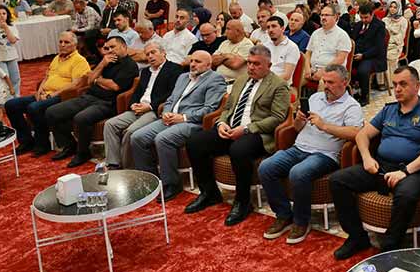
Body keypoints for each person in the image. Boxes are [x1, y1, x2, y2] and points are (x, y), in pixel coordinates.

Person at [329, 66, 420, 258]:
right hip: (381, 165)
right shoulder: (388, 110)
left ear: (417, 86)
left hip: (412, 170)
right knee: (338, 180)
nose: (397, 89)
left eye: (403, 84)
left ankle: (390, 247)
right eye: (395, 84)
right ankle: (357, 237)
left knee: (406, 196)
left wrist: (405, 172)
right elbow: (362, 135)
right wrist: (367, 158)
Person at [184, 45, 290, 225]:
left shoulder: (279, 85)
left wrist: (247, 128)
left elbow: (277, 118)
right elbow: (227, 108)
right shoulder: (241, 80)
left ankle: (242, 202)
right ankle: (209, 193)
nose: (251, 67)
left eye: (256, 64)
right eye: (249, 63)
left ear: (269, 65)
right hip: (231, 128)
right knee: (195, 142)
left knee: (238, 150)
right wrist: (221, 123)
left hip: (257, 132)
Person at [259, 64, 363, 243]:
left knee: (298, 173)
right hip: (298, 148)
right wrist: (299, 120)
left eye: (331, 82)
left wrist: (324, 126)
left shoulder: (351, 106)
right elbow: (297, 128)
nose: (326, 86)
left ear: (345, 82)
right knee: (266, 167)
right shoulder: (315, 98)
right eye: (324, 81)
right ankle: (284, 214)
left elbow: (355, 133)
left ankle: (301, 221)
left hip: (325, 155)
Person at [131, 51, 225, 201]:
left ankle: (172, 184)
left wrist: (183, 117)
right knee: (137, 137)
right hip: (170, 118)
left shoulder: (215, 79)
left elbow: (210, 109)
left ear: (209, 65)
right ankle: (150, 180)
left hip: (192, 123)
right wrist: (166, 113)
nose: (193, 64)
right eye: (192, 61)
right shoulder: (183, 77)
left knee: (163, 138)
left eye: (198, 62)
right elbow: (170, 100)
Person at [46, 36, 139, 167]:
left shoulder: (130, 65)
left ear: (124, 47)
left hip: (108, 102)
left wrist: (98, 79)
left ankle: (83, 153)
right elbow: (90, 80)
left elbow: (114, 86)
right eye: (107, 48)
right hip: (89, 96)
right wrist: (102, 65)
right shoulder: (106, 61)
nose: (110, 51)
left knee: (81, 118)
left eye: (113, 47)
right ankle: (70, 145)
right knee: (52, 112)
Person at [5, 32, 90, 155]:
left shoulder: (79, 60)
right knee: (11, 105)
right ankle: (26, 141)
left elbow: (76, 84)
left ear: (75, 45)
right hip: (45, 93)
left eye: (66, 42)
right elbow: (46, 77)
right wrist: (39, 92)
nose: (62, 45)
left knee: (34, 107)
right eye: (60, 42)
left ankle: (42, 144)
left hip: (62, 96)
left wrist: (53, 94)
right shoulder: (56, 58)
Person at [103, 42, 180, 168]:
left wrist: (149, 106)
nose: (150, 56)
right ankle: (113, 163)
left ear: (163, 53)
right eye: (147, 54)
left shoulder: (174, 69)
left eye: (153, 52)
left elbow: (172, 94)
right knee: (110, 124)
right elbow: (137, 92)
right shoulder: (145, 71)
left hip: (154, 110)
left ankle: (127, 167)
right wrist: (133, 104)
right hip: (138, 108)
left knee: (130, 131)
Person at [305, 5, 352, 86]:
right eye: (322, 15)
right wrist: (307, 68)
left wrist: (323, 71)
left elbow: (340, 59)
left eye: (326, 15)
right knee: (293, 81)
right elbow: (308, 53)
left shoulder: (342, 35)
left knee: (323, 83)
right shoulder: (315, 33)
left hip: (333, 72)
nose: (323, 17)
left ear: (335, 17)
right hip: (312, 70)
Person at [351, 3, 387, 106]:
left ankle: (364, 96)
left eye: (366, 17)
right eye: (361, 17)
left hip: (373, 56)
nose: (364, 20)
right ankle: (351, 92)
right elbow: (353, 40)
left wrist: (363, 55)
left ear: (372, 14)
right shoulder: (358, 25)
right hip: (357, 54)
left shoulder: (379, 26)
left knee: (362, 71)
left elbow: (378, 47)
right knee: (344, 66)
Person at [0, 5, 22, 96]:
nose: (1, 16)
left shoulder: (11, 26)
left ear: (7, 15)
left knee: (15, 79)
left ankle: (16, 98)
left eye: (4, 13)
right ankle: (8, 100)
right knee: (5, 79)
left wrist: (6, 28)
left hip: (11, 56)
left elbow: (13, 40)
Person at [259, 16, 300, 83]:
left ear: (282, 29)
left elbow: (286, 76)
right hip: (264, 81)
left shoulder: (292, 47)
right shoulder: (265, 46)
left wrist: (267, 82)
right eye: (268, 27)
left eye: (274, 26)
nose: (270, 30)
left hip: (280, 84)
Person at [383, 0, 408, 83]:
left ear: (399, 8)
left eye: (395, 7)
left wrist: (390, 39)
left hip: (396, 45)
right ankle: (381, 82)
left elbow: (401, 37)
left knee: (390, 56)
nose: (392, 9)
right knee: (379, 54)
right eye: (391, 7)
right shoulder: (385, 20)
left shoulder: (403, 21)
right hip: (385, 44)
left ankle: (392, 83)